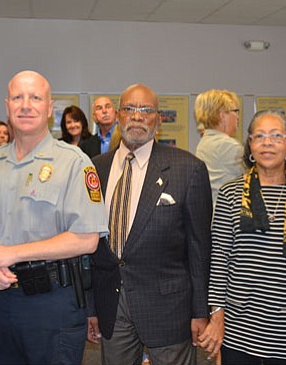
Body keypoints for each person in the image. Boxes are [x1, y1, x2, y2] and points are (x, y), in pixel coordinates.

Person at [0, 70, 108, 365]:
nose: (25, 105)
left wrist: (10, 254)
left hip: (52, 302)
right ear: (7, 106)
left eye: (35, 98)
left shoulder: (73, 161)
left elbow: (86, 239)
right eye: (17, 97)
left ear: (48, 107)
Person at [86, 84, 212, 365]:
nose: (137, 116)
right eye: (130, 109)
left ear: (159, 119)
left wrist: (200, 311)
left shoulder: (188, 169)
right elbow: (88, 243)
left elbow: (200, 248)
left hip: (169, 307)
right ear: (118, 115)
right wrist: (91, 306)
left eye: (147, 110)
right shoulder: (95, 168)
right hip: (111, 304)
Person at [200, 109, 286, 365]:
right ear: (250, 144)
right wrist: (216, 315)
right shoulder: (230, 193)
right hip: (239, 327)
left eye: (275, 136)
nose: (267, 143)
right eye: (259, 136)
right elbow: (219, 261)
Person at [194, 89, 245, 206]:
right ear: (222, 116)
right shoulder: (228, 146)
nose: (237, 117)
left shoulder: (205, 142)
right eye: (235, 111)